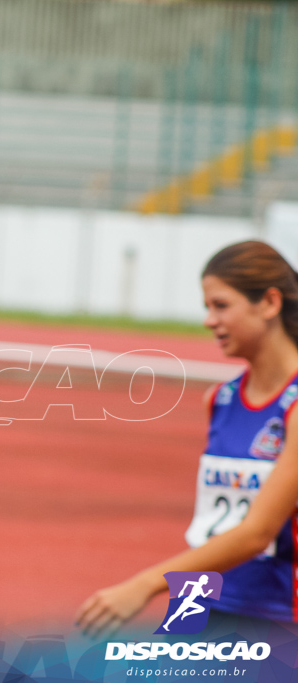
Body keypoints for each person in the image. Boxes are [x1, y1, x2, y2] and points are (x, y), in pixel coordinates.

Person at [76, 240, 298, 637]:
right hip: (202, 601)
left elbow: (256, 533)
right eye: (206, 307)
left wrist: (144, 585)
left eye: (220, 305)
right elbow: (213, 524)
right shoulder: (220, 399)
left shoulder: (293, 407)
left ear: (269, 303)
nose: (208, 320)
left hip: (276, 619)